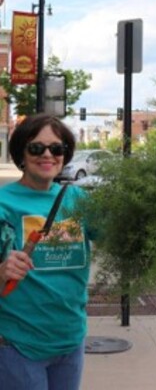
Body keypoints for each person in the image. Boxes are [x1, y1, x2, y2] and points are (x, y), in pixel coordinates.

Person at [0, 114, 94, 390]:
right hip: (19, 345)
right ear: (21, 154)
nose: (48, 155)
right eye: (36, 148)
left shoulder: (79, 201)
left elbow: (126, 237)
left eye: (57, 148)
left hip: (70, 340)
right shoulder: (3, 203)